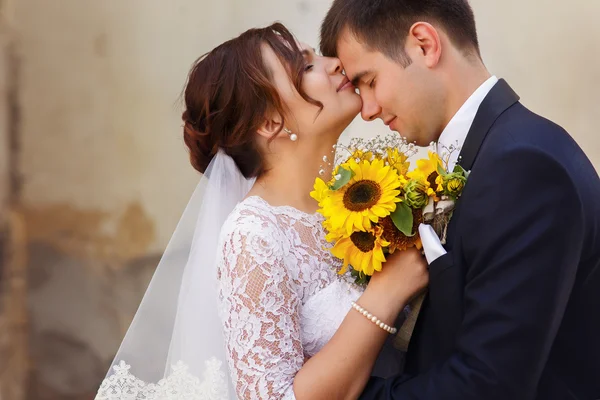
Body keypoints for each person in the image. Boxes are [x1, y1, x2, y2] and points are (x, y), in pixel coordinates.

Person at [95, 23, 428, 400]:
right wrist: (384, 295)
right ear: (270, 123)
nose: (335, 63)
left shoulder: (361, 195)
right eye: (305, 67)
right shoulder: (254, 237)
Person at [320, 1, 600, 399]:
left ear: (424, 45)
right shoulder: (491, 154)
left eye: (369, 80)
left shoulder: (523, 167)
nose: (366, 110)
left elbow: (488, 383)